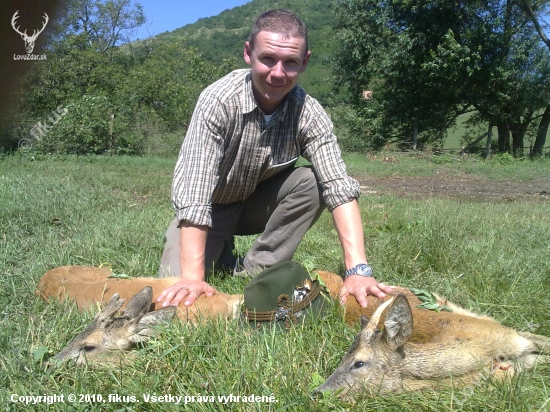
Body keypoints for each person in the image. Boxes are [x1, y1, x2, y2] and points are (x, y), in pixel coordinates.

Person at [156, 9, 393, 308]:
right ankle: (219, 253)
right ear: (248, 53)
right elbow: (194, 189)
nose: (278, 73)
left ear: (304, 62)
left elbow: (339, 187)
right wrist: (191, 276)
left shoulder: (309, 113)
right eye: (268, 58)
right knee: (174, 283)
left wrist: (358, 271)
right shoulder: (218, 101)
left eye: (290, 62)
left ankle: (258, 269)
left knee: (313, 181)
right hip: (209, 209)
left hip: (257, 203)